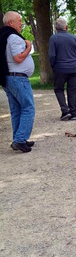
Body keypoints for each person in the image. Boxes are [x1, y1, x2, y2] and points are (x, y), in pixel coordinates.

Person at [0, 11, 35, 152]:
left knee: (16, 110)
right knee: (28, 108)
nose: (21, 23)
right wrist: (28, 47)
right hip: (18, 78)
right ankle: (20, 140)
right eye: (19, 20)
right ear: (11, 23)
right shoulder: (13, 37)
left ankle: (18, 138)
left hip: (8, 77)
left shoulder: (3, 36)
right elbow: (18, 58)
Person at [48, 17, 76, 120]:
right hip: (73, 68)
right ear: (66, 27)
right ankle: (73, 113)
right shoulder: (74, 38)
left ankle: (65, 111)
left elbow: (52, 55)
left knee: (58, 89)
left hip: (60, 68)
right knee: (72, 90)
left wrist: (53, 66)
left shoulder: (53, 38)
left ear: (56, 28)